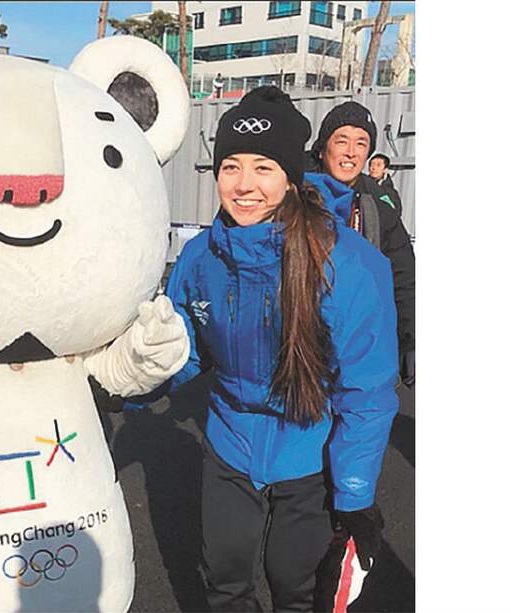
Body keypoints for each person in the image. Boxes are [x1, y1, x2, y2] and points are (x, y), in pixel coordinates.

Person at [136, 86, 399, 611]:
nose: (244, 184)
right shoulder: (201, 258)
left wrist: (354, 495)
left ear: (290, 177)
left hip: (309, 450)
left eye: (263, 168)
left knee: (294, 584)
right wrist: (128, 384)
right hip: (229, 442)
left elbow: (366, 392)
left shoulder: (347, 264)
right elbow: (181, 352)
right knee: (225, 577)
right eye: (230, 167)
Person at [309, 101, 415, 386]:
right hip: (301, 347)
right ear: (322, 148)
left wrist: (411, 341)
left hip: (358, 351)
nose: (351, 152)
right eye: (341, 140)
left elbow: (404, 278)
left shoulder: (377, 205)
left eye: (361, 143)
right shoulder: (294, 197)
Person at [368, 152, 404, 217]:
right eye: (372, 165)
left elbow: (396, 213)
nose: (374, 168)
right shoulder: (363, 185)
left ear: (385, 169)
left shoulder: (390, 192)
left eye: (378, 165)